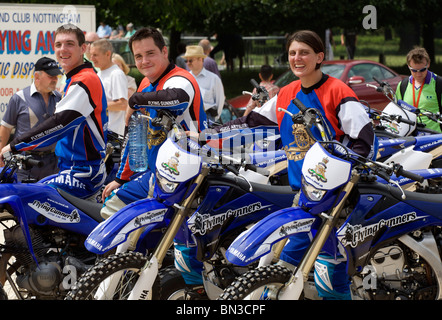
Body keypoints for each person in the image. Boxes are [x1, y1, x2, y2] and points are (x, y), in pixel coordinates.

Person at [203, 30, 377, 299]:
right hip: (303, 195)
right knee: (290, 264)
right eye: (293, 53)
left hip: (334, 199)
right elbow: (251, 122)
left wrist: (345, 173)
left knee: (329, 272)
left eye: (305, 52)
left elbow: (363, 137)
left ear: (320, 57)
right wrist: (207, 136)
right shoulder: (286, 94)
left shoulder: (337, 91)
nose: (297, 58)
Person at [100, 27, 207, 216]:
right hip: (158, 174)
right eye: (138, 56)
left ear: (164, 51)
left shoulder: (181, 78)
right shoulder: (145, 85)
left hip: (186, 175)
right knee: (111, 207)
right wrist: (121, 179)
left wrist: (135, 99)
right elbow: (134, 137)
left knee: (114, 212)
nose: (144, 61)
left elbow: (178, 97)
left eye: (150, 53)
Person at [0, 23, 108, 200]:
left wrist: (14, 145)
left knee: (28, 198)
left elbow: (58, 125)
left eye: (69, 44)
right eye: (58, 45)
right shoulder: (75, 78)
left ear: (83, 48)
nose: (62, 49)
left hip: (82, 172)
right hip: (72, 168)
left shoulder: (84, 80)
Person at [0, 57, 62, 181]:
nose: (55, 79)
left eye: (56, 76)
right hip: (25, 164)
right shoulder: (19, 98)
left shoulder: (58, 98)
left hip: (53, 163)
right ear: (37, 77)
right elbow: (6, 128)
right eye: (51, 76)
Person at [396, 46, 442, 132]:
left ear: (428, 64)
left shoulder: (439, 84)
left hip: (435, 138)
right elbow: (398, 112)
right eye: (414, 70)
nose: (418, 74)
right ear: (408, 66)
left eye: (422, 70)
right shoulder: (403, 85)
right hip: (411, 137)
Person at [90, 39, 128, 136]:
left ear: (107, 54)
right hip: (99, 133)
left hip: (113, 135)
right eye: (91, 55)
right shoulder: (99, 73)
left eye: (95, 55)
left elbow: (122, 104)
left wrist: (93, 106)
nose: (91, 58)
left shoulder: (116, 74)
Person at [184, 45, 225, 122]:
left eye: (190, 60)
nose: (188, 63)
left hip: (208, 118)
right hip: (189, 119)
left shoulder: (213, 78)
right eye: (186, 61)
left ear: (200, 59)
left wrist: (213, 120)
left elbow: (220, 101)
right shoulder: (184, 79)